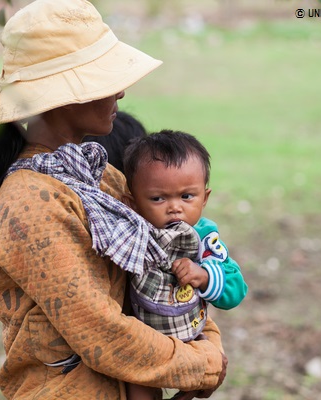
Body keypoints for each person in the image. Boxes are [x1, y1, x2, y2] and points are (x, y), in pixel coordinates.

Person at [0, 0, 227, 399]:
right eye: (106, 80)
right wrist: (202, 363)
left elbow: (170, 259)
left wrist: (207, 341)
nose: (121, 90)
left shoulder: (101, 175)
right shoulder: (31, 204)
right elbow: (102, 332)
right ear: (66, 95)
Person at [121, 130, 248, 400]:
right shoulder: (133, 234)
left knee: (200, 379)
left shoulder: (205, 239)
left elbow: (236, 289)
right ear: (132, 203)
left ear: (205, 198)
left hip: (190, 334)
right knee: (138, 389)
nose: (174, 208)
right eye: (158, 198)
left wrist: (203, 276)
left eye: (187, 196)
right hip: (144, 341)